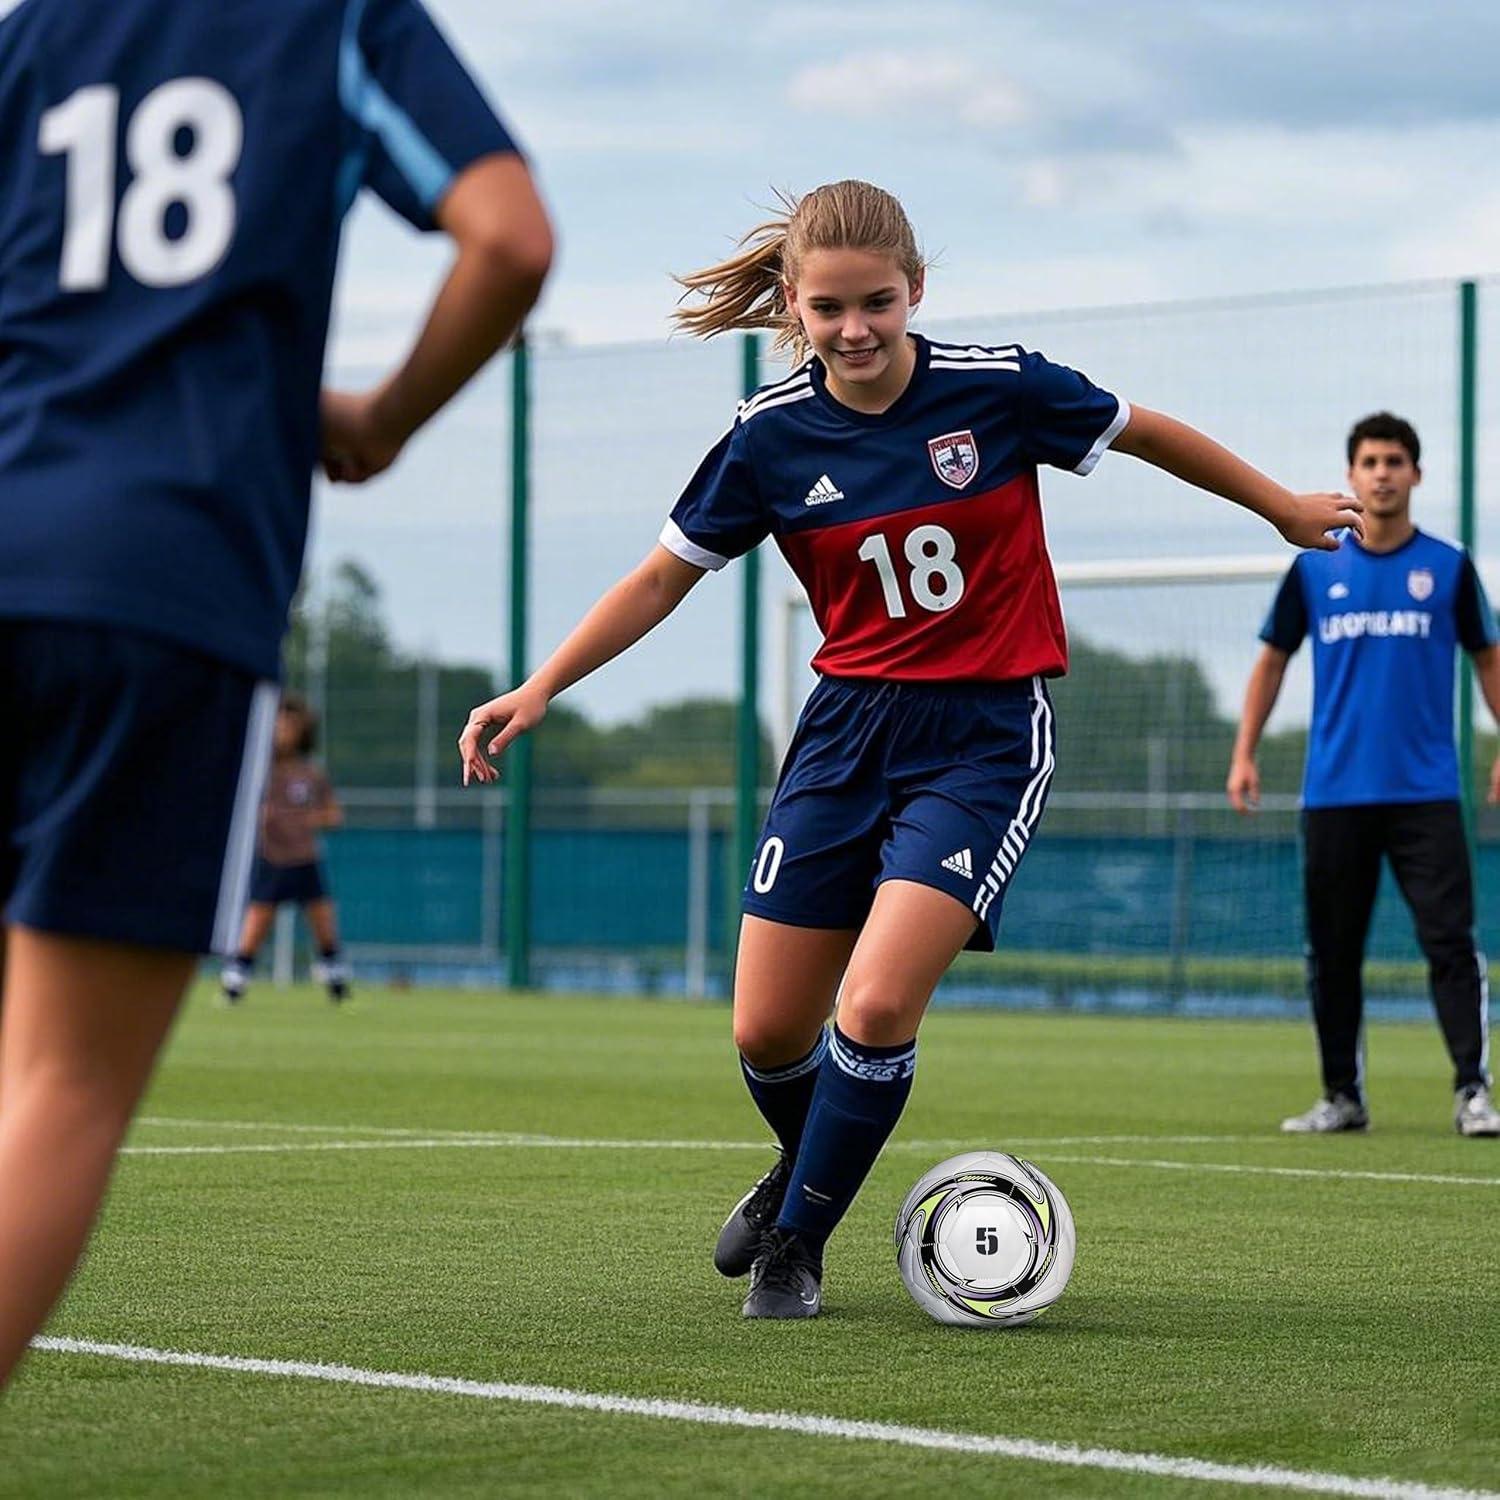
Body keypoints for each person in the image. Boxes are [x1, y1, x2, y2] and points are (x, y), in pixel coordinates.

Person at [459, 179, 1361, 1320]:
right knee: (766, 1031)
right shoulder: (768, 438)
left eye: (877, 303)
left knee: (876, 1008)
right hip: (842, 740)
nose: (855, 329)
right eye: (828, 308)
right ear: (792, 304)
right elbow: (658, 579)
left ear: (916, 289)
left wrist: (1278, 506)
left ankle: (798, 1244)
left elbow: (1149, 433)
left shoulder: (1000, 390)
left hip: (983, 738)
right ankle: (810, 1161)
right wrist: (541, 686)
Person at [0, 0, 552, 1389]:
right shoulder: (332, 21)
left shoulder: (37, 36)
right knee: (57, 1084)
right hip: (157, 582)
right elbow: (509, 236)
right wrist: (381, 414)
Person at [1228, 412, 1500, 1138]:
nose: (1382, 473)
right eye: (1370, 461)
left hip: (1428, 795)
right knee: (1334, 951)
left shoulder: (1448, 566)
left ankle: (1473, 1091)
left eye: (1395, 461)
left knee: (1450, 943)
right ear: (1351, 475)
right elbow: (1272, 658)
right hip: (1335, 794)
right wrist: (1244, 751)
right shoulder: (1316, 564)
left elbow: (1488, 656)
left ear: (1416, 475)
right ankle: (1342, 1096)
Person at [221, 694, 349, 1005]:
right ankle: (236, 982)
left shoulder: (311, 774)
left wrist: (308, 819)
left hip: (304, 858)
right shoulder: (257, 771)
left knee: (323, 924)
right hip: (271, 858)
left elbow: (334, 815)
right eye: (279, 724)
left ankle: (335, 981)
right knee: (256, 922)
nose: (283, 731)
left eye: (291, 724)